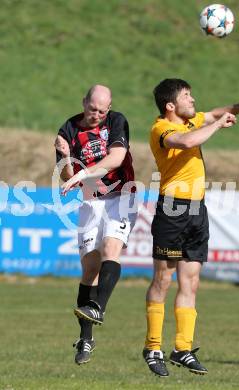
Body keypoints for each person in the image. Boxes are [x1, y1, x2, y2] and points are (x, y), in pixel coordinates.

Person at [143, 79, 239, 377]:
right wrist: (219, 125)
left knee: (191, 282)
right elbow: (187, 142)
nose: (192, 100)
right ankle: (152, 346)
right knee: (163, 280)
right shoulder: (162, 129)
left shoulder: (191, 120)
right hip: (172, 208)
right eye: (186, 96)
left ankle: (182, 348)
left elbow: (213, 114)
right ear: (170, 106)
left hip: (197, 210)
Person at [54, 84, 137, 365]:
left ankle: (98, 307)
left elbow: (117, 158)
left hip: (121, 195)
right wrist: (66, 157)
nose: (97, 115)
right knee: (90, 267)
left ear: (109, 108)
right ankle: (86, 339)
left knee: (111, 248)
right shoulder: (68, 129)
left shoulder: (117, 121)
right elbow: (67, 173)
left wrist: (81, 175)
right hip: (91, 201)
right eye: (92, 109)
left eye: (102, 110)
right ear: (84, 103)